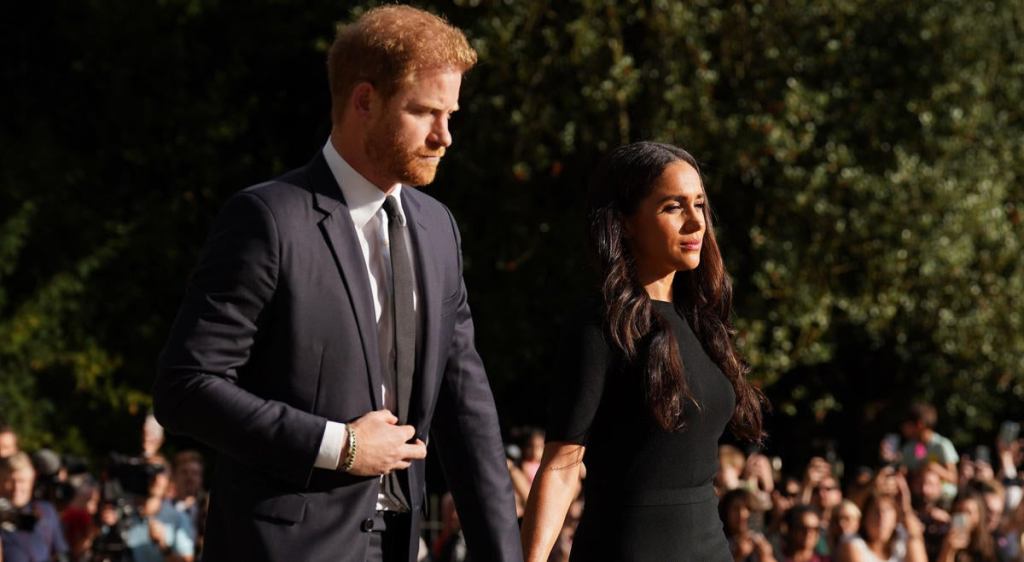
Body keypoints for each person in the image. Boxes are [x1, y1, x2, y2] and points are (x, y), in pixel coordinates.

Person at [152, 5, 522, 562]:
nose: (445, 136)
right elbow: (186, 389)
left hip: (402, 544)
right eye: (425, 112)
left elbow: (467, 409)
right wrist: (339, 447)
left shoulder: (438, 228)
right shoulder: (268, 218)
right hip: (285, 545)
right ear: (365, 101)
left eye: (451, 114)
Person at [520, 141, 767, 561]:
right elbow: (562, 465)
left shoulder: (703, 320)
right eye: (673, 207)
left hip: (709, 547)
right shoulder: (600, 324)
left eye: (700, 205)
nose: (695, 223)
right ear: (626, 222)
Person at [0, 452, 70, 562]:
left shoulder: (46, 512)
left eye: (22, 481)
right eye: (10, 481)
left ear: (31, 482)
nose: (16, 488)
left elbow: (60, 553)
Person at [835, 492, 927, 562]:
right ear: (865, 518)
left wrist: (906, 509)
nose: (881, 518)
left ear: (896, 519)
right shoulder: (851, 543)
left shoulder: (902, 539)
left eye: (887, 511)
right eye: (876, 512)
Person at [721, 488, 778, 562]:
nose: (742, 515)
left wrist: (765, 556)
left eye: (748, 508)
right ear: (726, 512)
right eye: (736, 508)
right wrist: (738, 557)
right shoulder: (719, 542)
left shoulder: (760, 539)